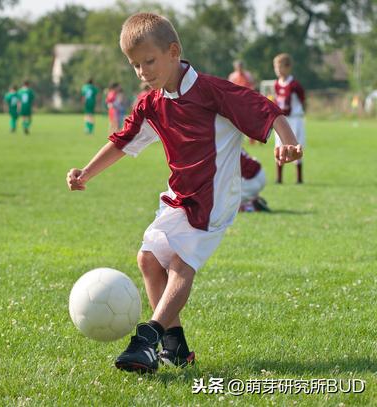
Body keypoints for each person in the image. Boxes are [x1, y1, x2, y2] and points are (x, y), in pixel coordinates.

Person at [66, 13, 302, 373]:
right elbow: (122, 142)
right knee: (148, 260)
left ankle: (148, 338)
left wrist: (288, 142)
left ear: (173, 52)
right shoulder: (151, 103)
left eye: (149, 61)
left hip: (213, 201)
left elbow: (266, 110)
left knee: (179, 263)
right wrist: (86, 172)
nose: (143, 71)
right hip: (180, 195)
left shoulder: (212, 91)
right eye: (134, 65)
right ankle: (176, 348)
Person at [272, 53, 306, 184]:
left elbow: (302, 100)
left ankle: (299, 178)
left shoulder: (295, 85)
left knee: (295, 146)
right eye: (275, 67)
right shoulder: (276, 84)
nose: (277, 69)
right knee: (279, 145)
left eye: (280, 66)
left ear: (288, 67)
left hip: (295, 119)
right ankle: (279, 178)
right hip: (281, 119)